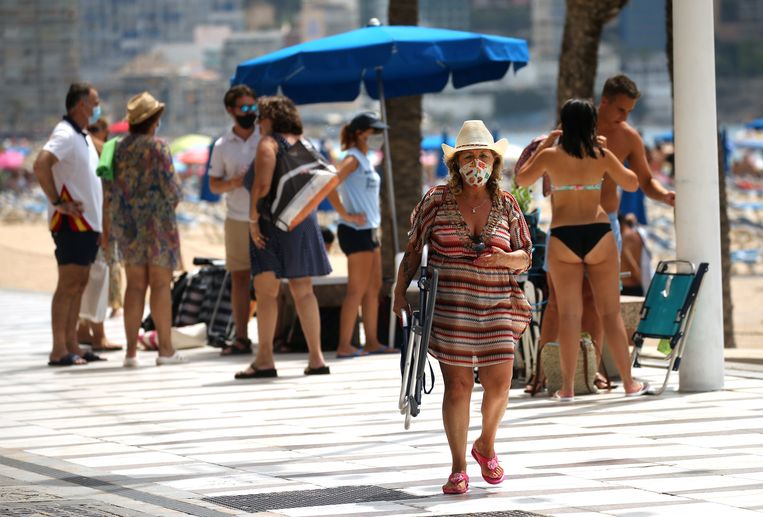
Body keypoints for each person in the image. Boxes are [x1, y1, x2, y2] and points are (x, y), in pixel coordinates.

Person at [393, 120, 532, 495]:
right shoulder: (436, 200)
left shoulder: (507, 203)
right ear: (456, 163)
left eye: (482, 156)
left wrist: (502, 260)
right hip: (452, 307)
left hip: (498, 305)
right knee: (457, 387)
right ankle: (457, 467)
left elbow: (525, 256)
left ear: (493, 161)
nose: (476, 163)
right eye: (468, 156)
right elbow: (413, 248)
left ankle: (486, 444)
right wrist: (398, 290)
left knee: (499, 384)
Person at [527, 75, 676, 392]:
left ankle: (577, 380)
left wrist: (665, 196)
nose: (625, 117)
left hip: (584, 226)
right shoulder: (591, 143)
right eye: (621, 109)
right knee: (586, 309)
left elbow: (646, 182)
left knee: (581, 309)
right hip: (595, 229)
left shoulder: (619, 138)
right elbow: (632, 182)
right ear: (602, 103)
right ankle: (557, 374)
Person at [517, 98, 648, 401]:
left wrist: (548, 142)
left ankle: (566, 388)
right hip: (598, 232)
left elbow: (522, 180)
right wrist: (610, 156)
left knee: (569, 315)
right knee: (610, 313)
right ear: (591, 125)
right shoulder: (600, 154)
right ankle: (629, 383)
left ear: (564, 125)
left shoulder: (550, 155)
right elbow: (631, 184)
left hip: (564, 235)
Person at [236, 95, 331, 379]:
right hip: (301, 221)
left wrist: (253, 222)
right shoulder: (305, 143)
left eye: (260, 117)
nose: (257, 123)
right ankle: (317, 358)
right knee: (304, 291)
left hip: (271, 224)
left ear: (269, 118)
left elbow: (262, 185)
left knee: (267, 293)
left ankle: (265, 359)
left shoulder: (269, 143)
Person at [110, 91, 186, 367]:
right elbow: (172, 189)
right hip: (159, 225)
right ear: (154, 120)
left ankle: (131, 352)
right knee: (161, 286)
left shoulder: (116, 148)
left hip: (129, 226)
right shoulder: (158, 148)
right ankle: (164, 350)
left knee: (135, 287)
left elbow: (110, 189)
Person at [33, 83, 106, 366]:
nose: (98, 106)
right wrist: (57, 201)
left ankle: (73, 343)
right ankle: (58, 349)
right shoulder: (64, 133)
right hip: (71, 224)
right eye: (95, 101)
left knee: (79, 284)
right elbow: (41, 164)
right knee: (68, 284)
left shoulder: (82, 135)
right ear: (80, 105)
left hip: (88, 224)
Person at [328, 112, 396, 358]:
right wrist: (345, 214)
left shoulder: (366, 159)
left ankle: (372, 341)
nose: (378, 136)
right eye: (374, 131)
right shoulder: (352, 158)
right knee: (356, 290)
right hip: (354, 231)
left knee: (373, 287)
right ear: (360, 133)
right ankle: (344, 345)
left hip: (369, 230)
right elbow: (330, 184)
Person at [209, 84, 259, 356]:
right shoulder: (221, 145)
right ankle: (241, 336)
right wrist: (235, 182)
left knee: (266, 279)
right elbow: (214, 185)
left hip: (264, 218)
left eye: (253, 107)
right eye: (244, 108)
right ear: (231, 110)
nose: (250, 112)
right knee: (240, 279)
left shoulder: (265, 138)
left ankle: (271, 334)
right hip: (237, 218)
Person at [75, 117, 122, 352]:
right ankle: (99, 334)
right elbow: (107, 195)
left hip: (79, 220)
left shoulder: (77, 145)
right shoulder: (104, 149)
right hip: (99, 222)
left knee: (83, 278)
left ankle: (83, 328)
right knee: (99, 277)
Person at [87, 117, 125, 320]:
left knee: (111, 257)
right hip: (101, 209)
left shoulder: (105, 150)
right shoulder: (101, 149)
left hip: (106, 209)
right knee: (107, 258)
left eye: (94, 129)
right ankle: (109, 304)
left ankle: (115, 303)